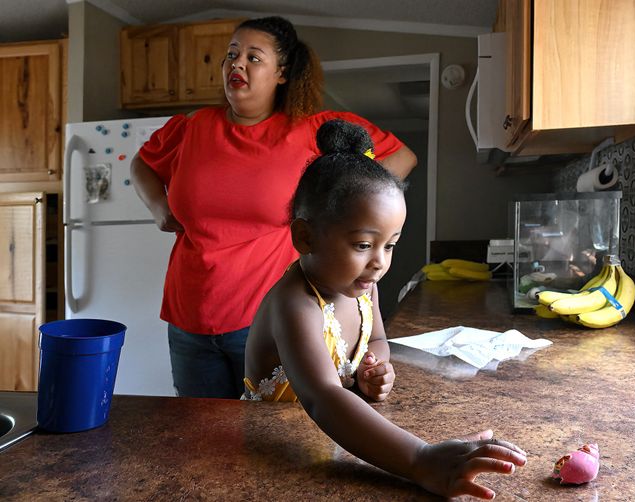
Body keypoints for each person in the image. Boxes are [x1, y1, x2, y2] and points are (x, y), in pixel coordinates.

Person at [130, 16, 417, 398]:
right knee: (198, 440)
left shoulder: (311, 130)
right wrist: (158, 207)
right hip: (189, 319)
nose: (237, 64)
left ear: (281, 73)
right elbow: (143, 164)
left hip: (266, 319)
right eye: (232, 55)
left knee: (270, 435)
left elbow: (401, 157)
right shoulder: (192, 127)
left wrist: (342, 207)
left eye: (253, 57)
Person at [243, 119, 526, 499]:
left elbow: (376, 337)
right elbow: (323, 397)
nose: (379, 263)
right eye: (363, 244)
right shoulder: (295, 304)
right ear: (305, 236)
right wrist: (420, 459)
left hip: (332, 442)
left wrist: (373, 368)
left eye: (389, 245)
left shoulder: (362, 287)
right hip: (270, 458)